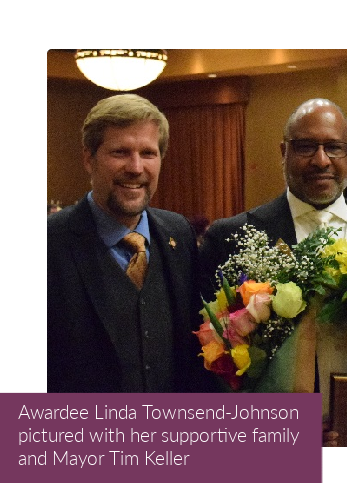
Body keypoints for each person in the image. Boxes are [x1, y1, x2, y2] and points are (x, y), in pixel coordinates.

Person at [198, 98, 347, 446]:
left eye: (333, 147)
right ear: (283, 152)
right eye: (305, 147)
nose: (320, 160)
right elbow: (205, 361)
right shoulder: (228, 237)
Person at [47, 94, 215, 393]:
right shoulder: (54, 242)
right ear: (89, 158)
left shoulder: (179, 233)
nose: (136, 167)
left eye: (148, 153)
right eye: (120, 152)